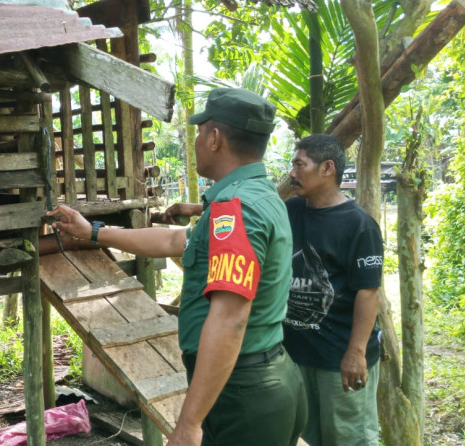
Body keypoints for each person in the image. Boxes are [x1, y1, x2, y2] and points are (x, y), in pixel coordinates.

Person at [47, 88, 306, 446]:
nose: (198, 139)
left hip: (241, 396)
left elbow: (230, 320)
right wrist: (92, 231)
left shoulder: (237, 209)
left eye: (200, 131)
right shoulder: (258, 196)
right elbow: (173, 242)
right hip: (269, 378)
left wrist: (188, 424)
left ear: (215, 138)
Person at [283, 134, 383, 445]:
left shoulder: (359, 225)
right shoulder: (291, 211)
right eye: (293, 165)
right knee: (306, 435)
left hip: (339, 358)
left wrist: (355, 354)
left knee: (349, 437)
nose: (293, 173)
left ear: (328, 168)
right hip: (297, 356)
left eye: (300, 165)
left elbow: (368, 293)